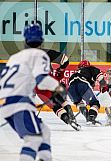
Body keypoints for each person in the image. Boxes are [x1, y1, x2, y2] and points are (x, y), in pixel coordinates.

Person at [0, 24, 65, 161]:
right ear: (41, 40)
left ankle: (45, 158)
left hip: (4, 102)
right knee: (33, 139)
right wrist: (58, 87)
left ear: (25, 39)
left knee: (44, 132)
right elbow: (41, 80)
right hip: (20, 103)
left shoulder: (14, 57)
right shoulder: (40, 54)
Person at [34, 49, 80, 131]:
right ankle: (71, 116)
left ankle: (67, 120)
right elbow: (65, 60)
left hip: (38, 85)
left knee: (55, 106)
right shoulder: (46, 53)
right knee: (61, 100)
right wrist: (61, 69)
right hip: (50, 79)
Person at [68, 60, 108, 126]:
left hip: (70, 89)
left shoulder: (75, 73)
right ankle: (91, 118)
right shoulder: (91, 68)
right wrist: (104, 87)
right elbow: (101, 79)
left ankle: (87, 117)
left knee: (79, 103)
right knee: (95, 103)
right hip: (83, 84)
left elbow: (74, 84)